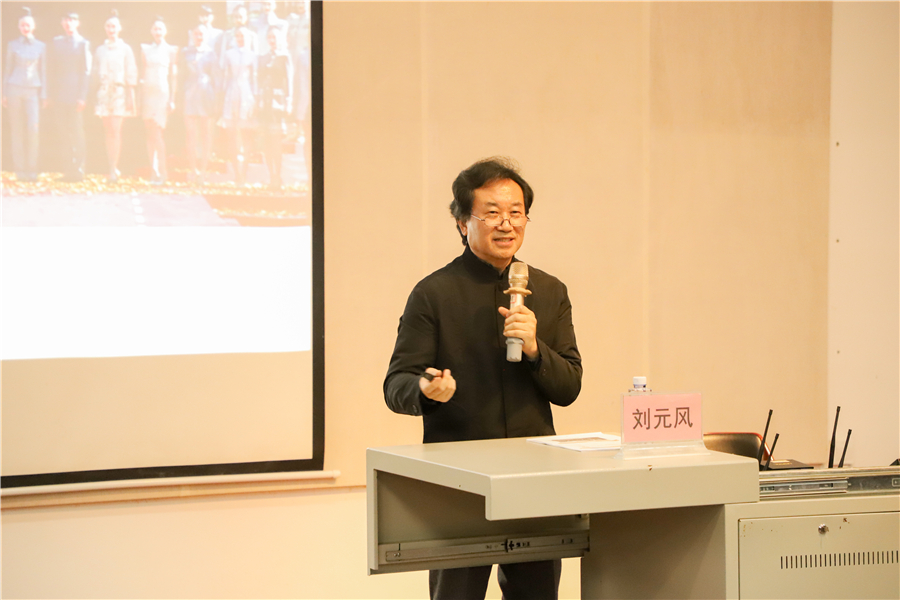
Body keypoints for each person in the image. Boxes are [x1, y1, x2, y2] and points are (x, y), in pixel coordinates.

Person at [383, 158, 582, 600]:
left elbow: (569, 386)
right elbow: (396, 384)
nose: (506, 224)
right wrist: (425, 390)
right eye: (491, 213)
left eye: (516, 212)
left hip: (533, 478)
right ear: (462, 222)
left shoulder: (550, 291)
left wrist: (535, 349)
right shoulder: (433, 293)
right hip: (460, 481)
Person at [3, 7, 47, 182]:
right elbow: (7, 69)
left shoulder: (41, 46)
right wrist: (3, 92)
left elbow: (43, 71)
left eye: (28, 25)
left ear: (33, 27)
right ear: (19, 27)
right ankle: (19, 169)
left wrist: (44, 94)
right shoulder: (12, 45)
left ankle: (32, 168)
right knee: (17, 129)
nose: (25, 28)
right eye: (22, 25)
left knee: (33, 128)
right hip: (14, 88)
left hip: (32, 90)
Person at [92, 10, 137, 183]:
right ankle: (110, 166)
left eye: (114, 26)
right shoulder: (100, 50)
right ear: (105, 28)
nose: (111, 30)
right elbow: (95, 72)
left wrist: (131, 96)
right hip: (104, 92)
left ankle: (114, 168)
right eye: (108, 26)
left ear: (119, 28)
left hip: (119, 92)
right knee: (107, 130)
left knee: (116, 130)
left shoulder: (126, 49)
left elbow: (131, 72)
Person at [47, 11, 90, 182]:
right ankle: (67, 171)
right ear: (62, 23)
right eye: (65, 20)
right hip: (59, 95)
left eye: (72, 20)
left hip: (75, 96)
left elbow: (86, 72)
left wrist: (82, 96)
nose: (68, 23)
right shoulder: (56, 42)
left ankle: (79, 170)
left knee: (77, 133)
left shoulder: (83, 43)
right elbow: (51, 69)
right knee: (63, 133)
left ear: (77, 23)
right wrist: (50, 94)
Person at [139, 17, 178, 184]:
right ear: (151, 31)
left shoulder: (171, 50)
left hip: (162, 93)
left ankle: (163, 171)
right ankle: (153, 171)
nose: (158, 32)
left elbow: (173, 76)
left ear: (165, 31)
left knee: (157, 131)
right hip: (148, 92)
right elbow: (142, 72)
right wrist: (140, 95)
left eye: (160, 29)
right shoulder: (145, 49)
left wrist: (172, 99)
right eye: (155, 29)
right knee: (149, 132)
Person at [218, 27, 256, 185]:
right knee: (232, 133)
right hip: (232, 92)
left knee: (245, 133)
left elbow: (255, 77)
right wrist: (222, 95)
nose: (241, 39)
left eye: (243, 36)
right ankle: (236, 173)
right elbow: (225, 74)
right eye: (238, 36)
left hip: (246, 93)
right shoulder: (229, 54)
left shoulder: (252, 55)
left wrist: (255, 97)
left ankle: (244, 173)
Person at [180, 27, 217, 183]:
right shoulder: (185, 52)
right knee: (191, 133)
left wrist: (215, 98)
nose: (199, 37)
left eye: (201, 34)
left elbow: (215, 76)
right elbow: (181, 74)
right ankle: (193, 170)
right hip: (190, 94)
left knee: (206, 133)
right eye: (196, 34)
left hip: (206, 94)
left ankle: (203, 170)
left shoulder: (211, 54)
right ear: (192, 36)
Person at [257, 26, 292, 188]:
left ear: (280, 39)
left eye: (275, 38)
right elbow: (259, 80)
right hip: (265, 103)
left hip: (278, 103)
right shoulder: (263, 58)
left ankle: (278, 176)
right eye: (269, 37)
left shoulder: (285, 57)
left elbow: (289, 81)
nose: (272, 41)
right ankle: (271, 175)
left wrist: (289, 101)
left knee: (276, 141)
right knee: (266, 141)